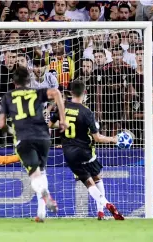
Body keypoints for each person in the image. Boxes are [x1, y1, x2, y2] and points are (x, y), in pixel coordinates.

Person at [0, 66, 68, 222]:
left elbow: (1, 123)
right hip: (43, 137)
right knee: (42, 171)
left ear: (13, 82)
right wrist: (63, 120)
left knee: (34, 174)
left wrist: (10, 130)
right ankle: (41, 213)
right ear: (28, 80)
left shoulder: (8, 97)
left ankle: (45, 194)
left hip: (24, 138)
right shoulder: (37, 92)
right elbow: (57, 93)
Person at [48, 80, 124, 221]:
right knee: (96, 177)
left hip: (69, 153)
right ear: (85, 93)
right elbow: (97, 138)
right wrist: (113, 139)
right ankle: (101, 210)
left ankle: (105, 206)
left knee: (88, 182)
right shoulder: (87, 112)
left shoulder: (62, 106)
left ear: (70, 92)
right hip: (85, 151)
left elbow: (51, 125)